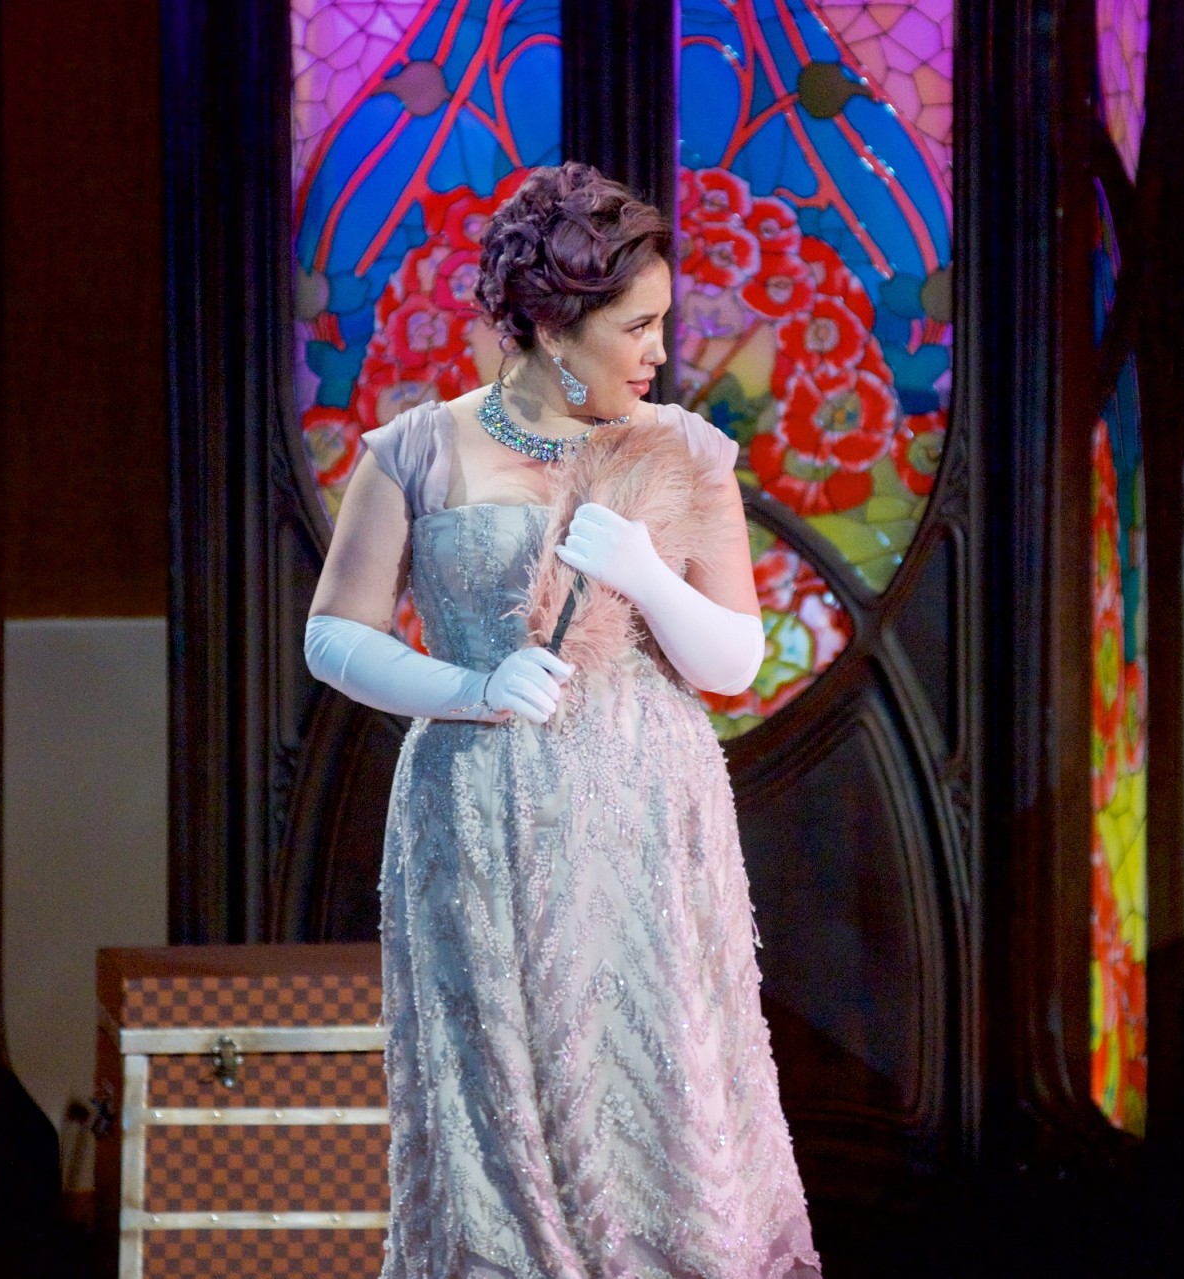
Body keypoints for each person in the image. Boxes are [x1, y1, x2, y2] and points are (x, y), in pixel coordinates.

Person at [304, 161, 821, 1279]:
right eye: (636, 327)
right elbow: (333, 636)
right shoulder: (420, 449)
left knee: (659, 1074)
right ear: (550, 326)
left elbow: (734, 660)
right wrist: (473, 689)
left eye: (661, 324)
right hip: (478, 819)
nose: (659, 351)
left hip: (646, 819)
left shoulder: (683, 450)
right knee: (493, 1081)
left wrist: (648, 572)